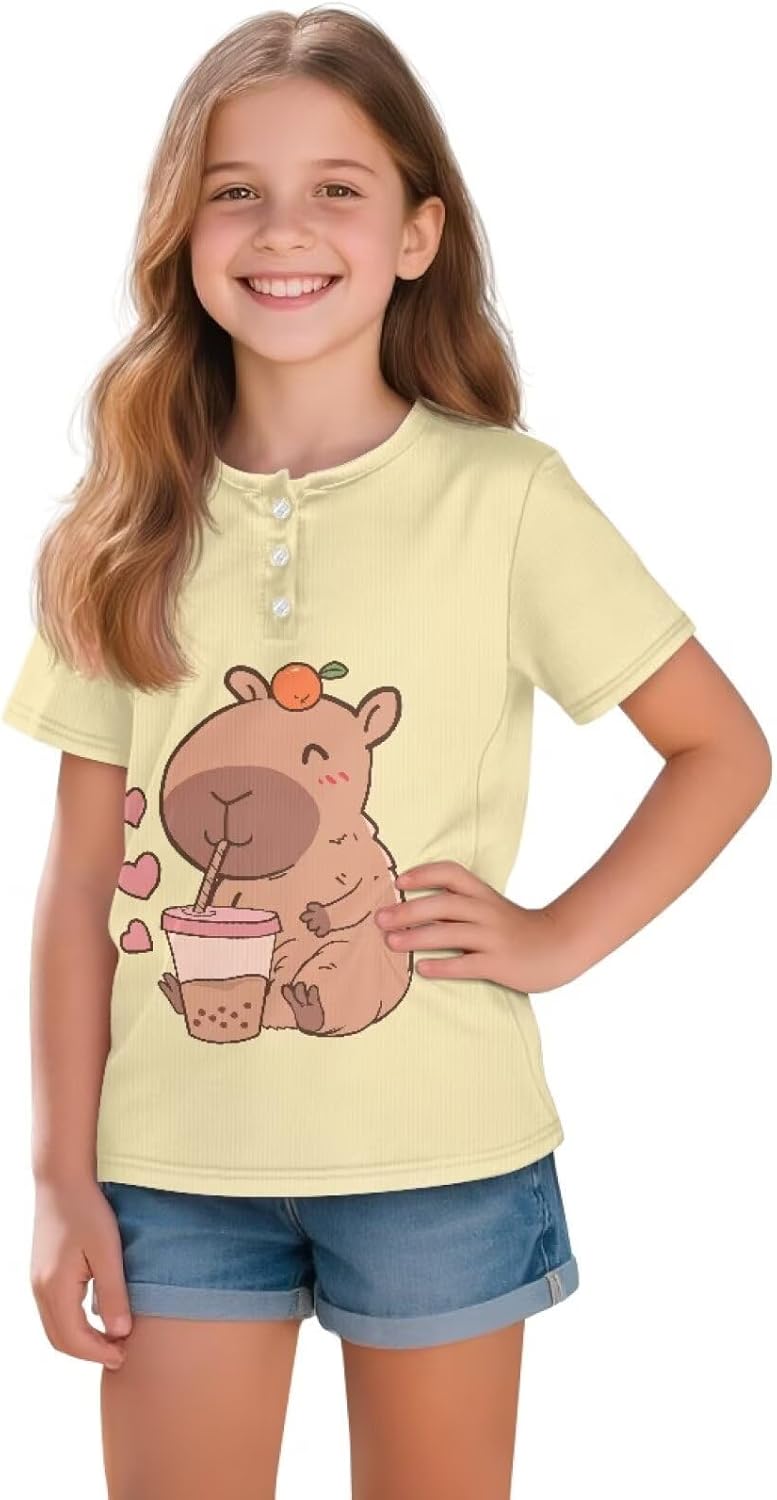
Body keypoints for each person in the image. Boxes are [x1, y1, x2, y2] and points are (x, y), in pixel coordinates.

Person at [2, 8, 771, 1499]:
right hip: (170, 1169)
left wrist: (555, 938)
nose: (282, 229)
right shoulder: (123, 521)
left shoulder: (507, 499)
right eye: (235, 189)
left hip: (442, 1161)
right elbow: (82, 877)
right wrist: (53, 1173)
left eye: (336, 190)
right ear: (179, 230)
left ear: (418, 234)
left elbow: (720, 749)